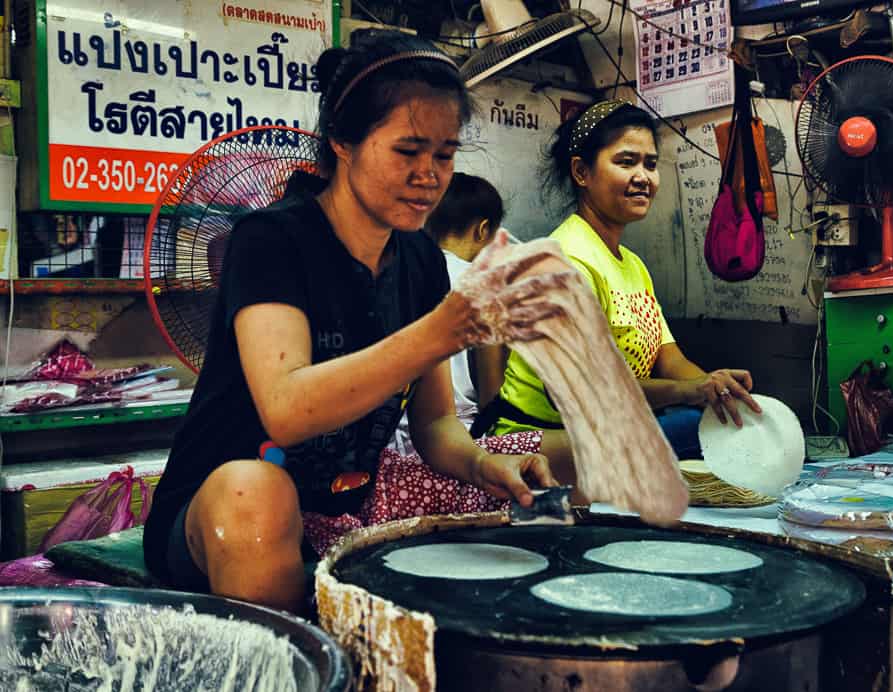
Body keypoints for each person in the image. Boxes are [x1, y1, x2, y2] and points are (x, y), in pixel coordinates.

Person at [143, 31, 560, 614]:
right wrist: (441, 330)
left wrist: (485, 465)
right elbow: (286, 411)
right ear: (342, 141)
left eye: (444, 154)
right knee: (254, 492)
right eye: (408, 151)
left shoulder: (418, 259)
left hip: (339, 508)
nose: (430, 175)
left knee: (553, 460)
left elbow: (437, 423)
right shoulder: (271, 240)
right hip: (221, 513)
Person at [477, 100, 761, 457]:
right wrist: (689, 392)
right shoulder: (565, 261)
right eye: (626, 162)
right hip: (547, 445)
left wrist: (718, 390)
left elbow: (667, 357)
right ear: (581, 172)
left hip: (608, 431)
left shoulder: (633, 266)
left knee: (728, 419)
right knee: (697, 427)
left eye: (651, 164)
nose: (643, 177)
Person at [390, 172, 508, 455]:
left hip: (393, 450)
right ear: (482, 231)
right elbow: (491, 399)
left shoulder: (399, 273)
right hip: (459, 449)